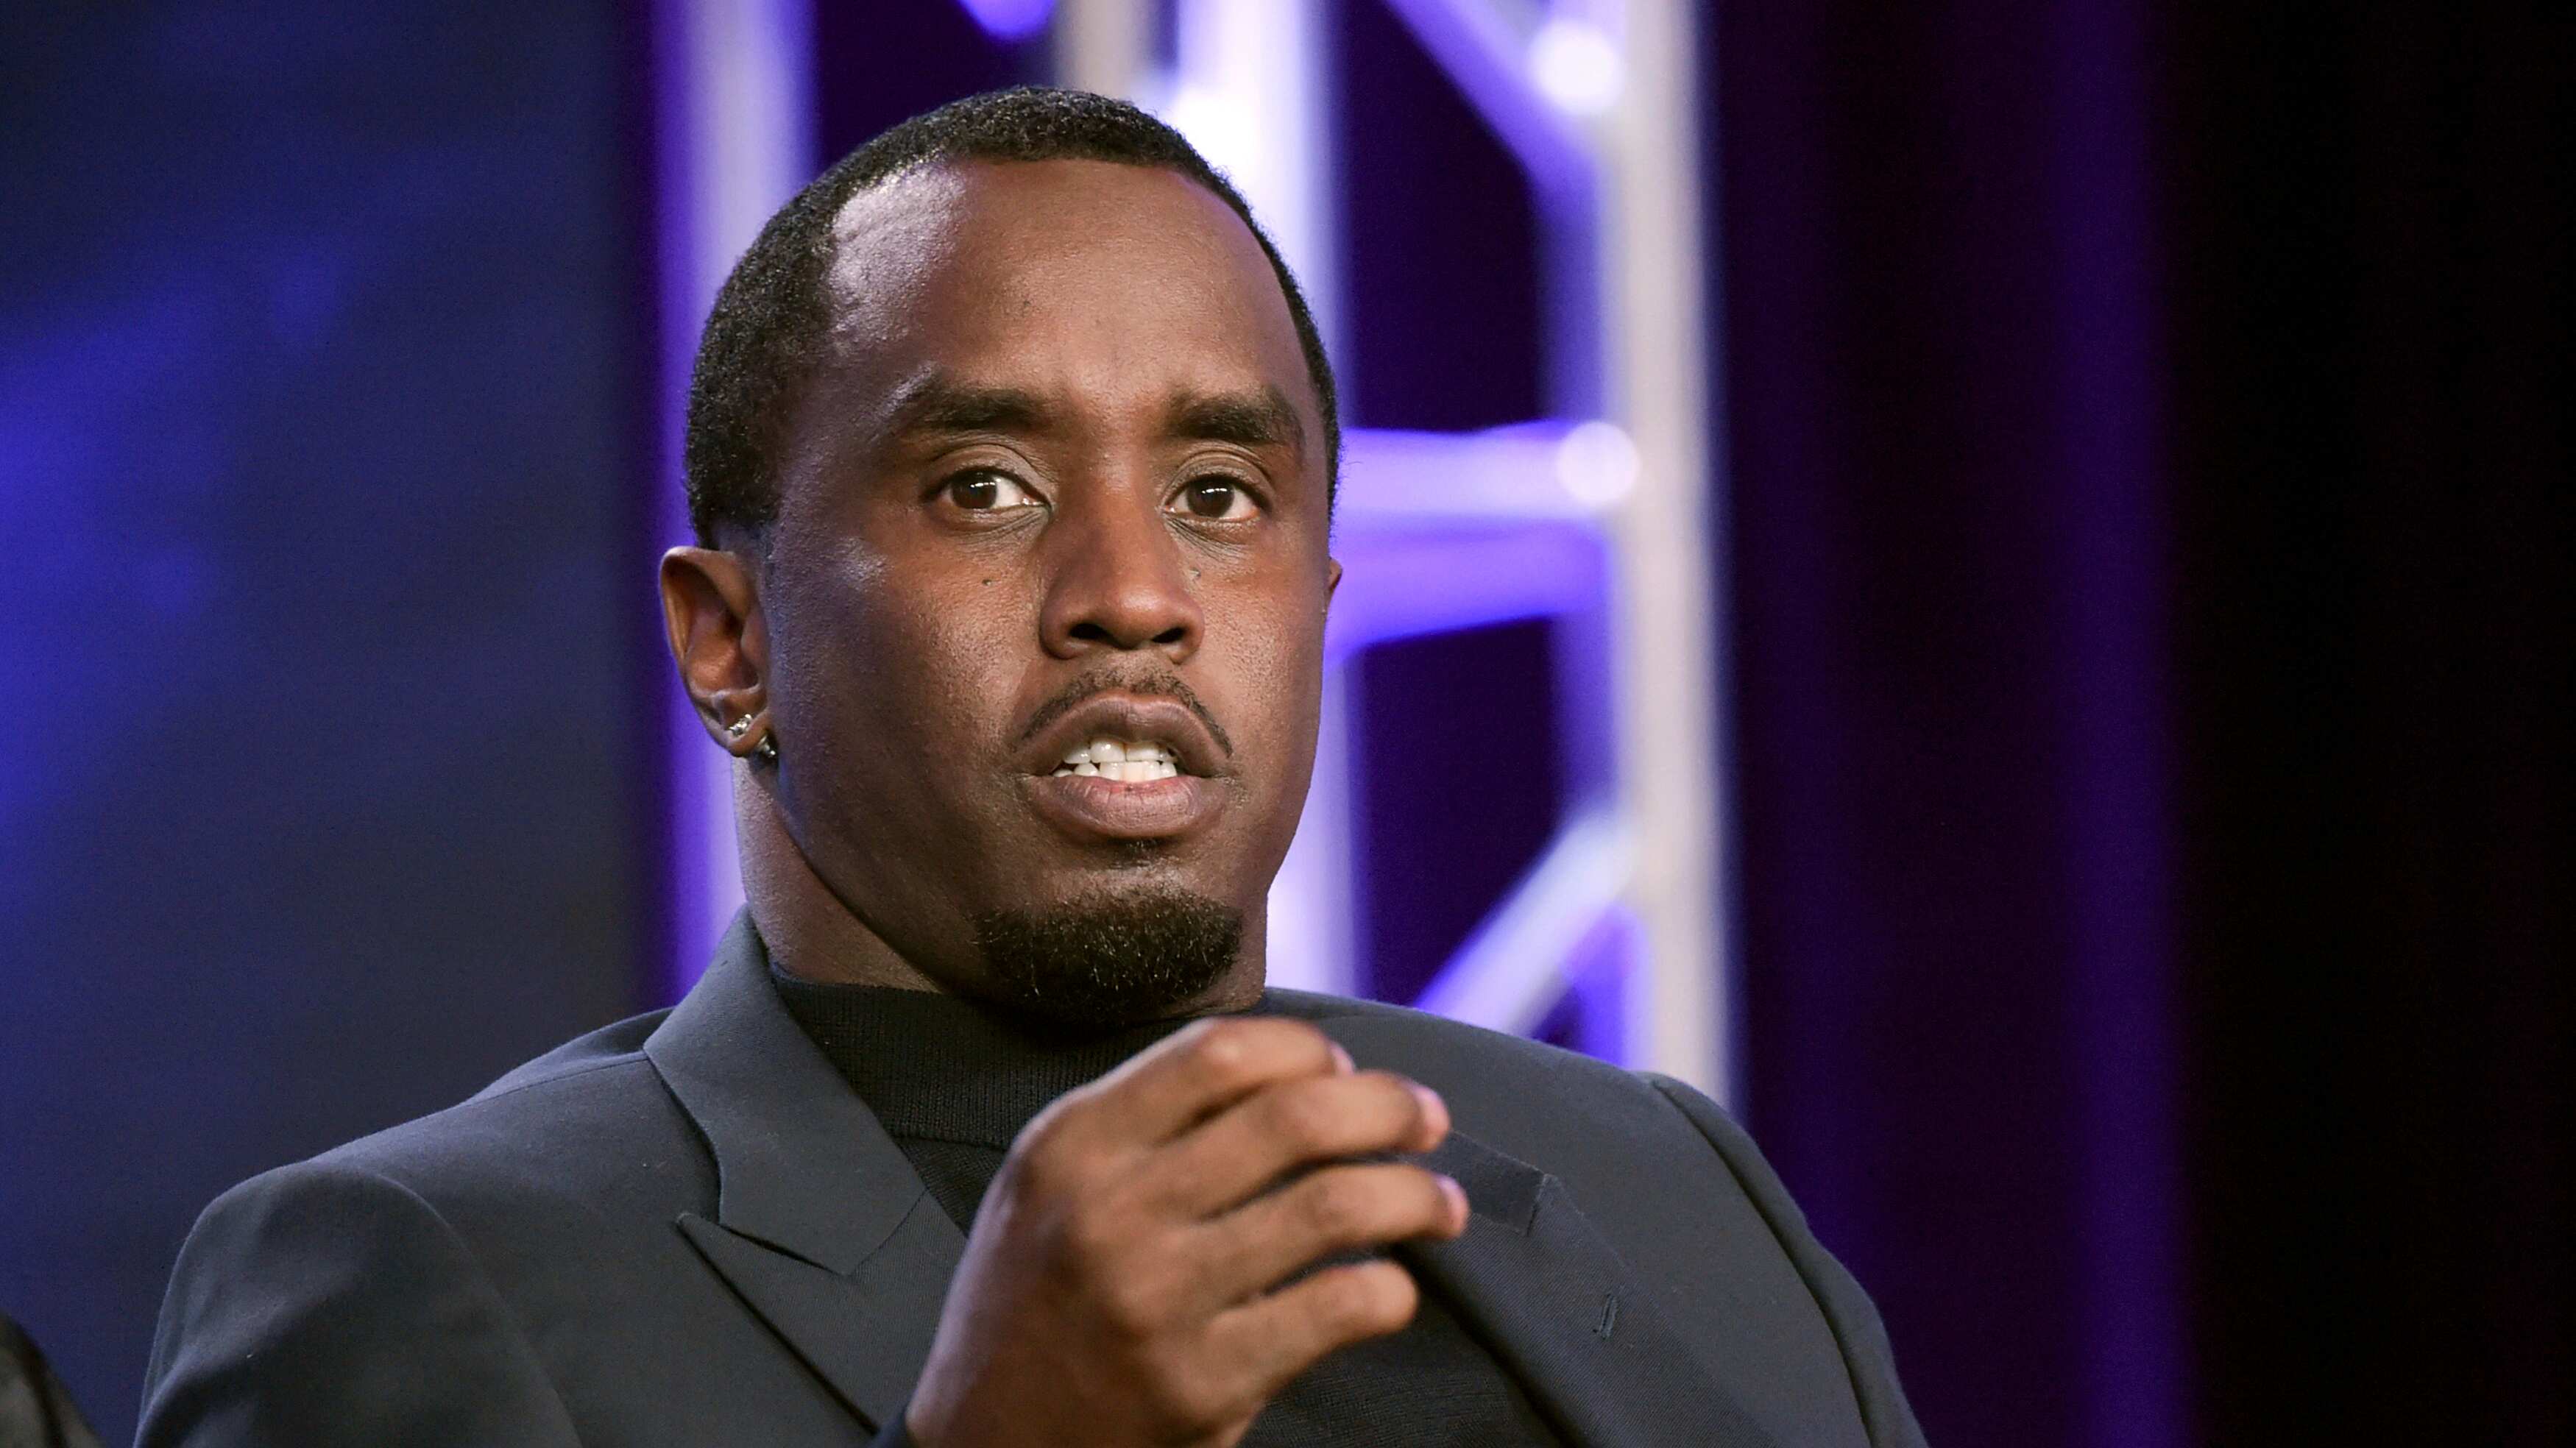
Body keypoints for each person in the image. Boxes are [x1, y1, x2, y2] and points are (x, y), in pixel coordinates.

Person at [138, 88, 1923, 1447]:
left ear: (1316, 605)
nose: (1136, 597)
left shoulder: (1666, 1188)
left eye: (1220, 499)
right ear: (730, 643)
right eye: (984, 488)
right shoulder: (419, 1277)